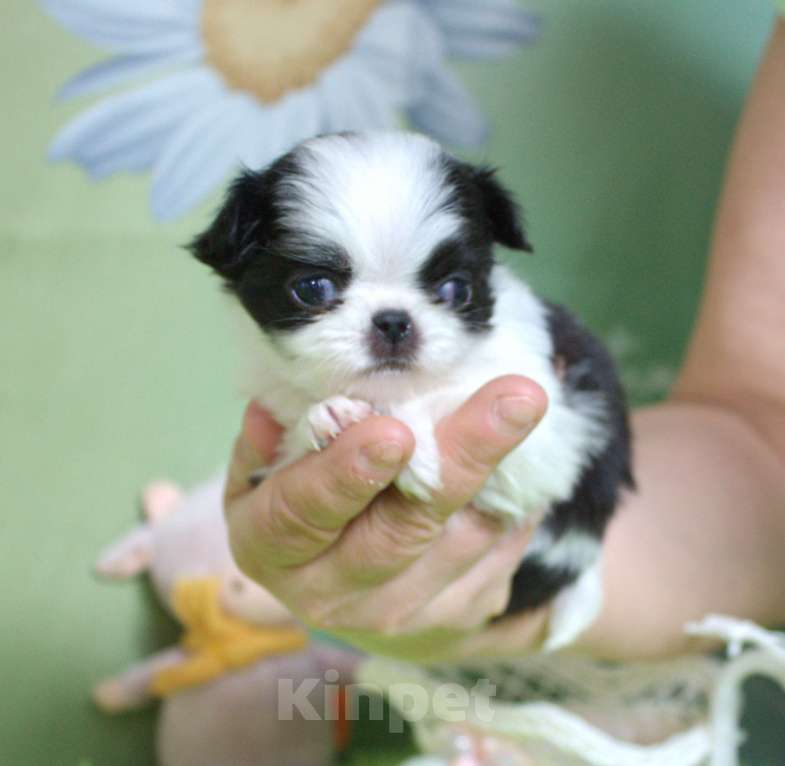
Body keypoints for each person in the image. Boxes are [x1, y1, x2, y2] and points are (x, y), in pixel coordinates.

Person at [221, 18, 785, 664]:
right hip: (561, 588)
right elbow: (760, 420)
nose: (393, 324)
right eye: (317, 291)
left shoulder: (517, 358)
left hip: (551, 557)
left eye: (449, 290)